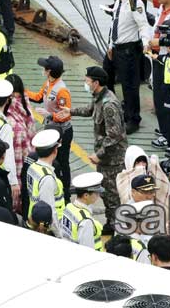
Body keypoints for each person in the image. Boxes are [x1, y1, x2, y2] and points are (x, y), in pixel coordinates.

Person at [64, 66, 127, 234]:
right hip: (104, 156)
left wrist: (99, 155)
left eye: (87, 81)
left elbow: (115, 135)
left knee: (113, 196)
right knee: (106, 193)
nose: (85, 83)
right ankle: (110, 222)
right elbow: (90, 110)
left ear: (96, 83)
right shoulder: (99, 97)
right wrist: (70, 111)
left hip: (112, 159)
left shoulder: (109, 104)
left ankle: (117, 228)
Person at [104, 0, 148, 134]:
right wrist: (110, 45)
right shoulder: (119, 1)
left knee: (129, 86)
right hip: (116, 48)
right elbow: (114, 23)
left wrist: (145, 44)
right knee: (106, 76)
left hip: (128, 50)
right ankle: (113, 106)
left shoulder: (134, 3)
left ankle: (133, 119)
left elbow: (143, 25)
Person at [25, 56, 72, 196]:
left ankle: (66, 191)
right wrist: (23, 92)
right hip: (50, 127)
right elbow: (39, 97)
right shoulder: (48, 83)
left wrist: (50, 115)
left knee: (62, 161)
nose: (43, 70)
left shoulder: (61, 90)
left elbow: (67, 114)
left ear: (49, 71)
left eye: (44, 68)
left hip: (62, 130)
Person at [60, 172, 104, 250]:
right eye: (96, 193)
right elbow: (87, 250)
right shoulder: (85, 221)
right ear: (86, 195)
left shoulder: (69, 207)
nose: (98, 196)